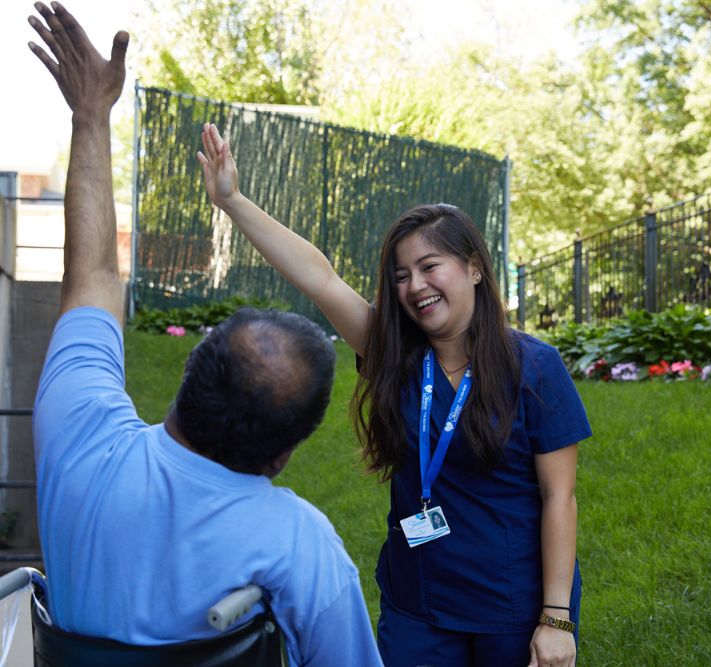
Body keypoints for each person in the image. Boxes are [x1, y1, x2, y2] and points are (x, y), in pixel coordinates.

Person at [26, 4, 382, 666]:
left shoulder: (79, 437)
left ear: (191, 371)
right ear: (283, 456)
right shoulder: (300, 544)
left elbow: (93, 279)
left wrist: (91, 115)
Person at [197, 115, 591, 667]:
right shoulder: (396, 357)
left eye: (431, 266)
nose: (415, 286)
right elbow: (320, 278)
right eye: (401, 275)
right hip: (418, 608)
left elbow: (560, 498)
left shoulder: (537, 367)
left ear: (474, 269)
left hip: (513, 608)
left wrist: (555, 619)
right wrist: (233, 201)